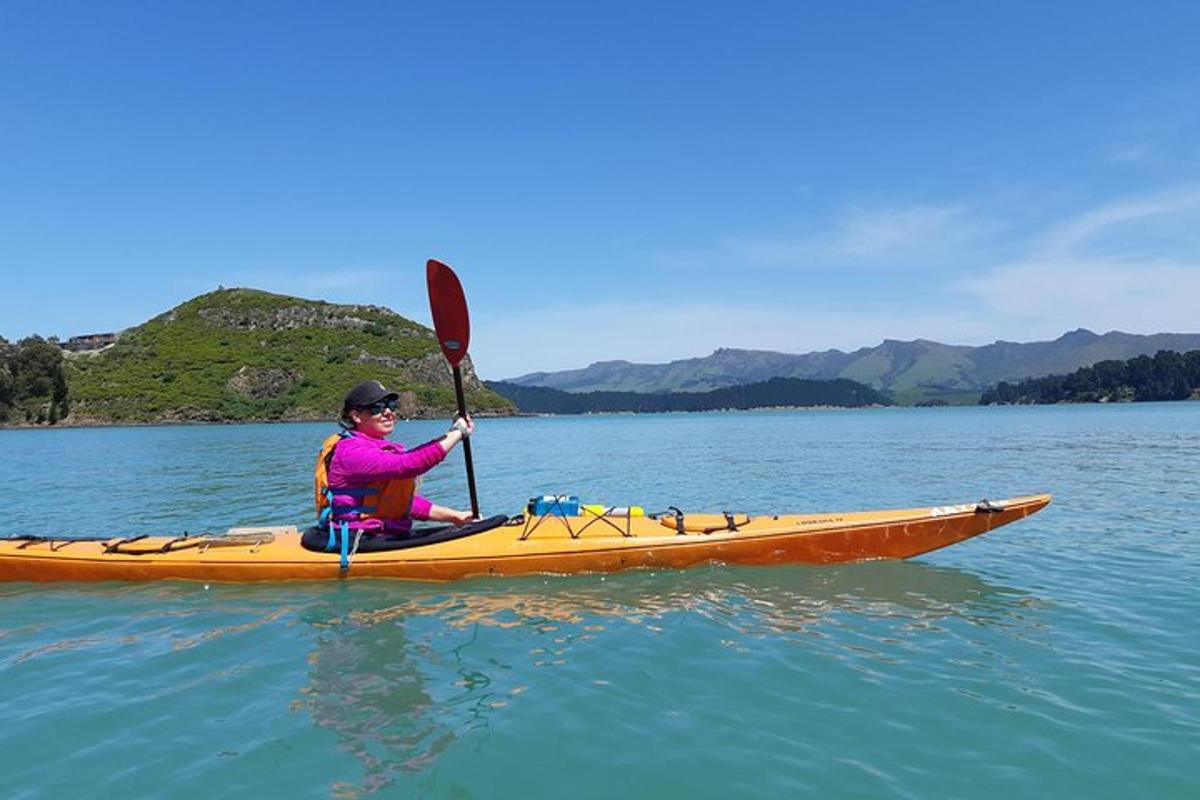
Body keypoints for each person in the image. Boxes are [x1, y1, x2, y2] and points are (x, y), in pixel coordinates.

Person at [315, 380, 476, 540]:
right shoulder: (350, 451)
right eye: (377, 407)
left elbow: (400, 503)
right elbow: (410, 464)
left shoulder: (377, 447)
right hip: (358, 539)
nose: (388, 412)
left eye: (391, 405)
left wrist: (455, 517)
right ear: (356, 416)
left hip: (383, 534)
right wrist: (457, 433)